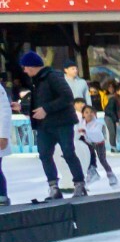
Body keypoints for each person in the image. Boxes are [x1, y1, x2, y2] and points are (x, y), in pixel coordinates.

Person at [16, 51, 87, 200]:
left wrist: (46, 109)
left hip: (62, 123)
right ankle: (53, 187)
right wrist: (21, 108)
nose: (24, 71)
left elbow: (67, 96)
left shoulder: (52, 76)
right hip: (45, 125)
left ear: (31, 66)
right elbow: (39, 104)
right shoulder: (36, 80)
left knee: (68, 152)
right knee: (44, 155)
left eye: (25, 67)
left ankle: (79, 184)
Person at [75, 102, 118, 188]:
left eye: (91, 112)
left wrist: (85, 131)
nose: (89, 114)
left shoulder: (98, 123)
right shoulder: (81, 123)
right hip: (88, 143)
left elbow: (97, 133)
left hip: (98, 143)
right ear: (83, 114)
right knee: (86, 156)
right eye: (86, 112)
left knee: (102, 160)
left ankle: (111, 175)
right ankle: (91, 172)